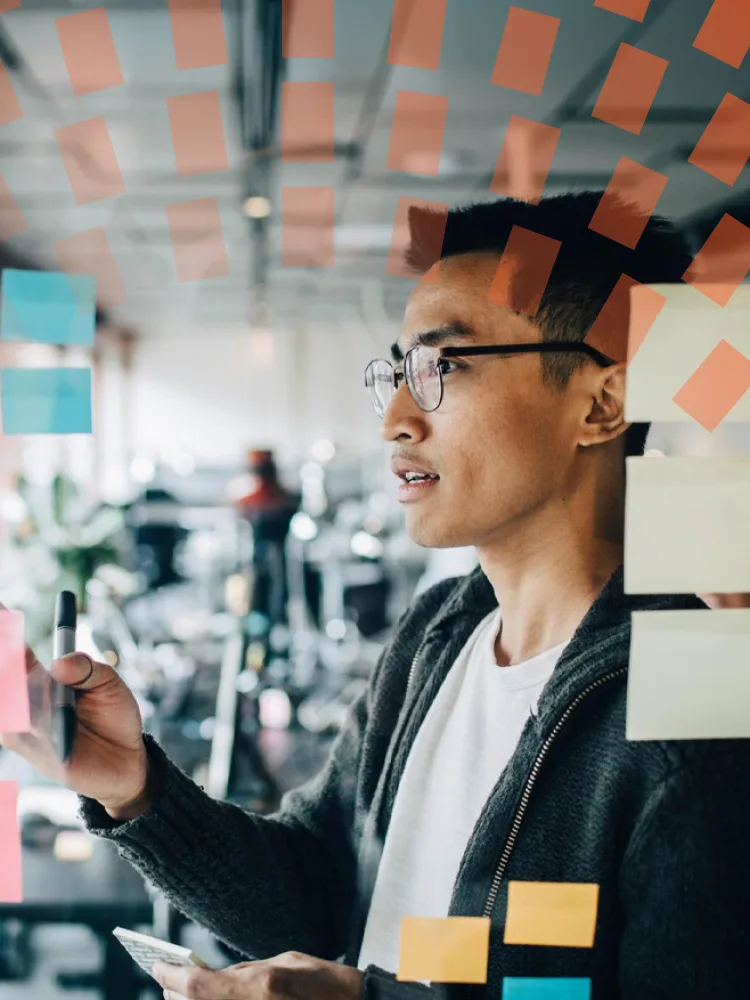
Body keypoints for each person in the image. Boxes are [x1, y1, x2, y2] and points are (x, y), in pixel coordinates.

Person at [3, 192, 750, 1000]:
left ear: (600, 404)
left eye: (444, 366)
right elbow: (318, 894)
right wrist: (130, 785)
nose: (395, 417)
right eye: (395, 372)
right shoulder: (441, 631)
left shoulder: (693, 711)